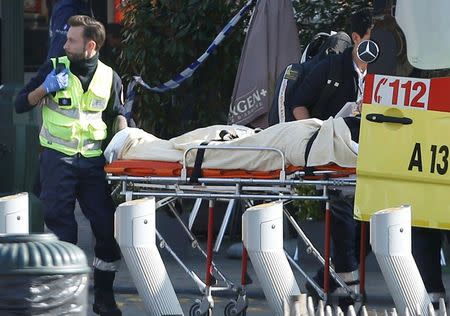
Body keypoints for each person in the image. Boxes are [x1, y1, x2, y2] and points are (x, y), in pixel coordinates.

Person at [15, 15, 126, 316]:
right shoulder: (53, 68)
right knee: (63, 231)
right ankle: (65, 299)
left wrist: (123, 143)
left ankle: (103, 297)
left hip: (92, 163)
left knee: (106, 229)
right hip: (57, 160)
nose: (64, 45)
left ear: (90, 46)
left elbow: (117, 115)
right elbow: (20, 102)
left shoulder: (109, 77)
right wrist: (44, 89)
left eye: (71, 41)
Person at [289, 7, 374, 305]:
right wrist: (313, 141)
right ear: (356, 39)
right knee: (342, 206)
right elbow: (299, 105)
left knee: (373, 222)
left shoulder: (382, 73)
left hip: (367, 157)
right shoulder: (331, 68)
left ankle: (325, 280)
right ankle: (347, 280)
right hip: (331, 154)